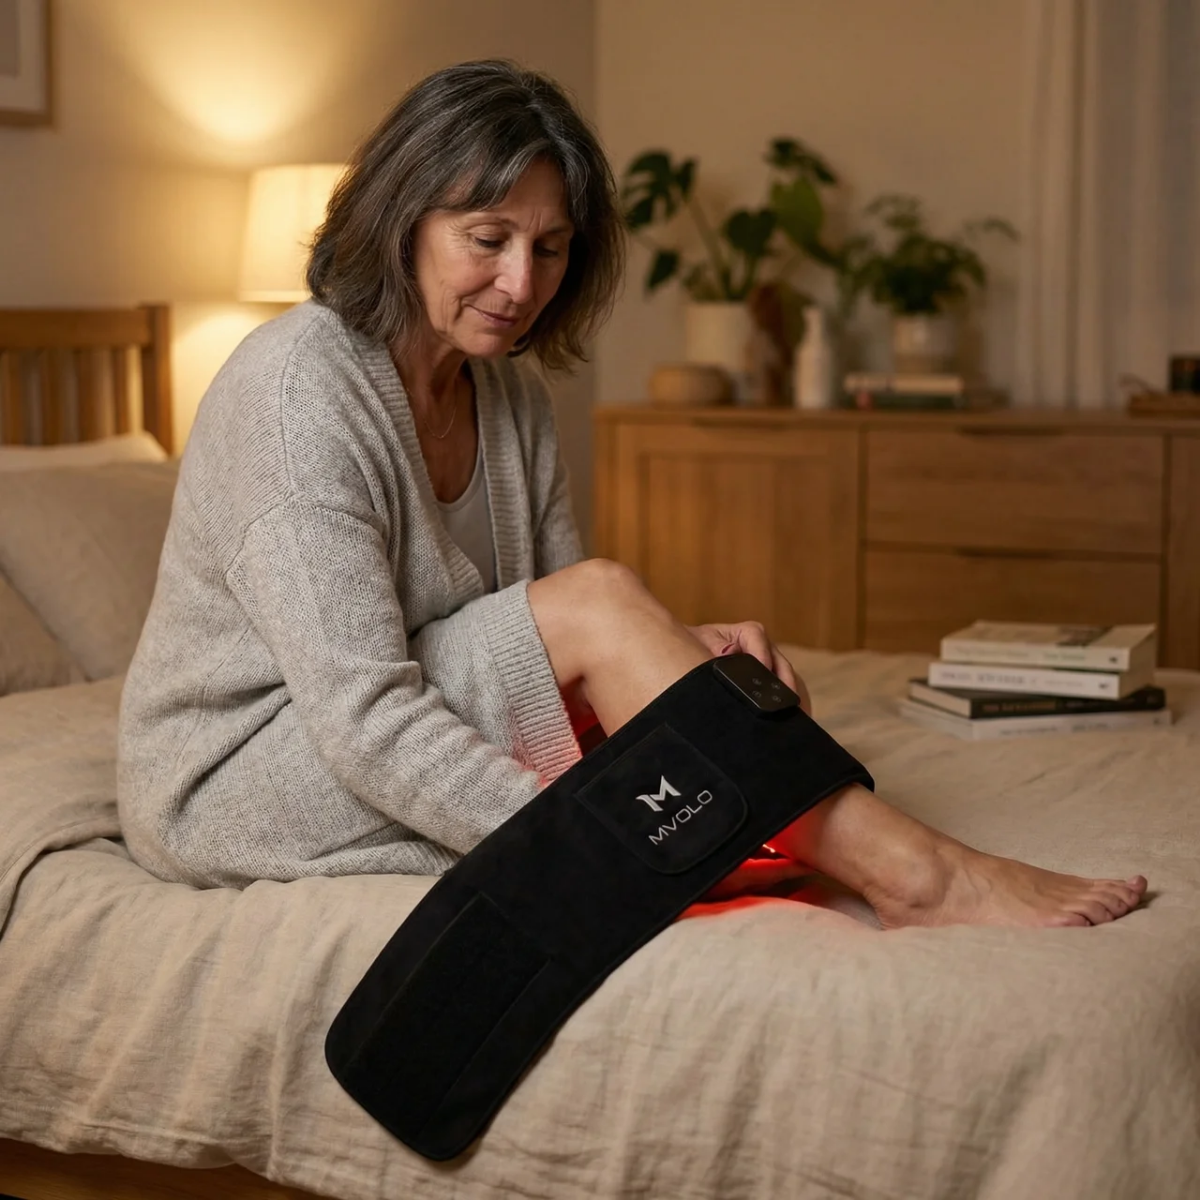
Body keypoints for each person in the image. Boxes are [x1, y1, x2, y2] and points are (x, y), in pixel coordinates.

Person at [117, 60, 1146, 929]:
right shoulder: (295, 393)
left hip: (387, 716)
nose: (521, 285)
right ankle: (921, 875)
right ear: (402, 220)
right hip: (238, 778)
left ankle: (867, 847)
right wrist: (597, 843)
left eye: (550, 247)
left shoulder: (508, 393)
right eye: (487, 238)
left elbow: (563, 632)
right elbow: (366, 717)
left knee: (715, 687)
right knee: (643, 660)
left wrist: (685, 661)